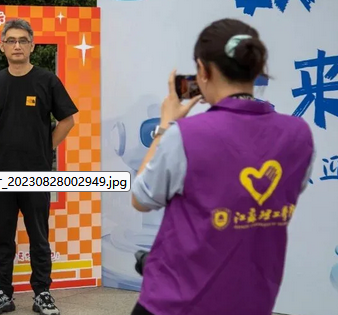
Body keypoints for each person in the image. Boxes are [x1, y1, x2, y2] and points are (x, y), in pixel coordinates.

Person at [129, 18, 315, 315]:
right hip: (253, 301)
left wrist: (165, 126)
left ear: (203, 71)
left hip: (175, 303)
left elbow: (141, 198)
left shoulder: (185, 135)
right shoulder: (299, 134)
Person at [0, 19, 78, 315]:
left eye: (23, 40)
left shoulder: (47, 80)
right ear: (2, 46)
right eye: (11, 40)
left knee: (38, 235)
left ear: (32, 46)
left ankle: (42, 293)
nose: (17, 45)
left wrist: (45, 150)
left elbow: (67, 120)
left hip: (36, 173)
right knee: (3, 237)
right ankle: (2, 293)